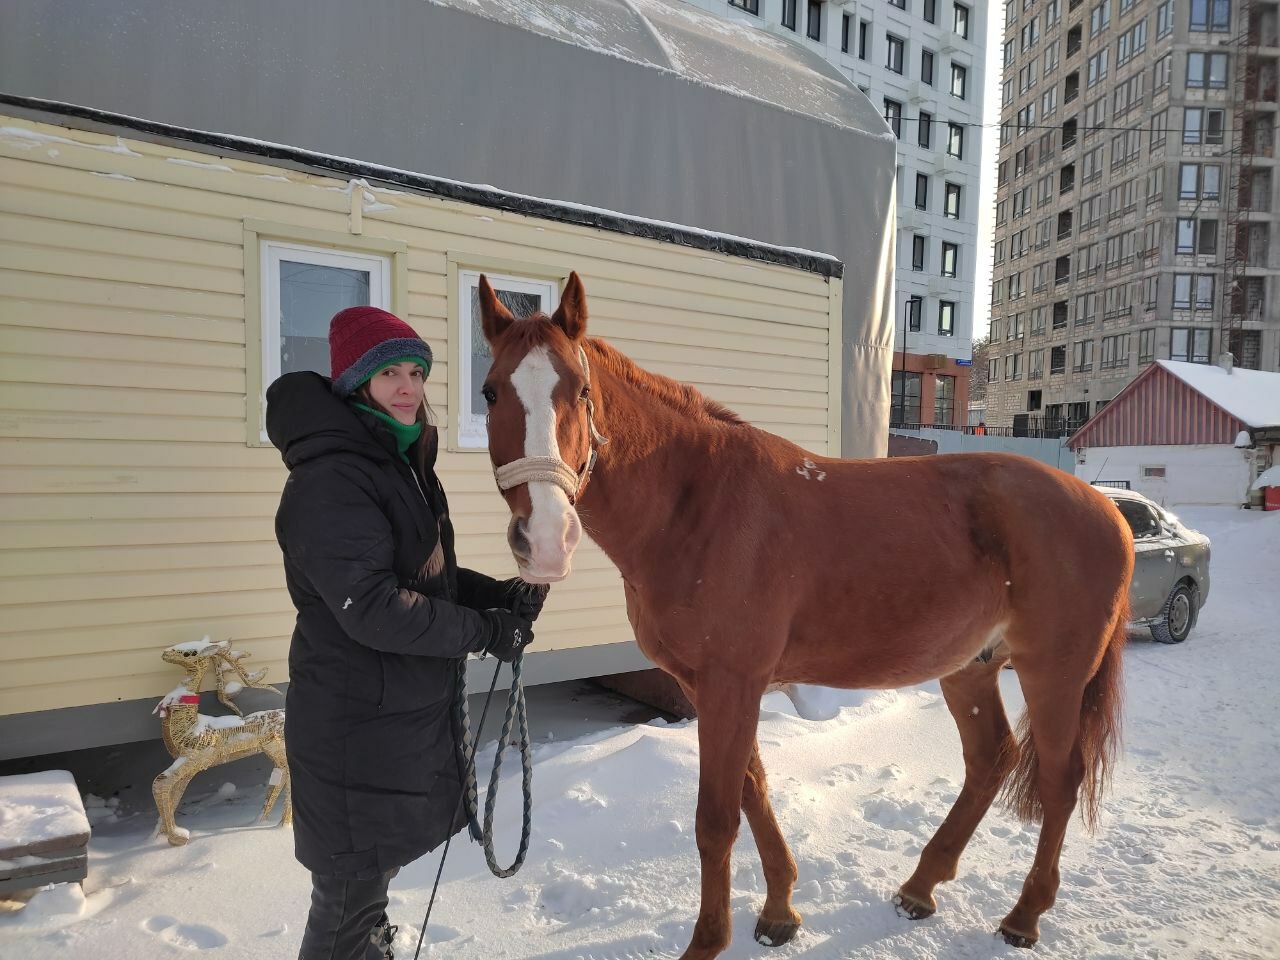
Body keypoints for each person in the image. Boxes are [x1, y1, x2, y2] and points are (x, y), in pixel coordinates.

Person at [266, 305, 547, 960]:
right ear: (355, 383)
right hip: (351, 733)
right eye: (388, 371)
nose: (407, 387)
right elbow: (370, 604)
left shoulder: (394, 463)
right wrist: (482, 629)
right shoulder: (331, 479)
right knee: (345, 900)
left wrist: (498, 597)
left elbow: (424, 578)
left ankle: (371, 947)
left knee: (368, 885)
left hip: (385, 723)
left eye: (415, 371)